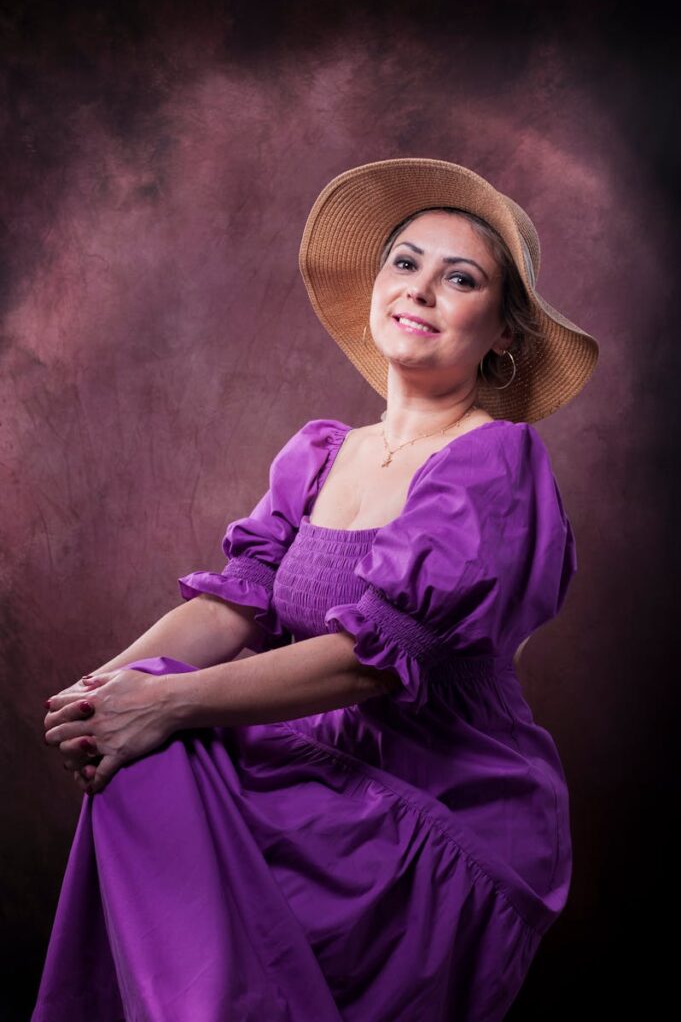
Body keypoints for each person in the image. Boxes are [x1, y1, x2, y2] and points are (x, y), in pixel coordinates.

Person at [33, 157, 598, 1021]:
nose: (419, 289)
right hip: (314, 771)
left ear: (502, 336)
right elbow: (232, 606)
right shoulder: (319, 453)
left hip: (436, 802)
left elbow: (371, 665)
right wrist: (99, 691)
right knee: (140, 722)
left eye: (460, 278)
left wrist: (165, 706)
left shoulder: (496, 460)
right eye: (404, 263)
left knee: (160, 721)